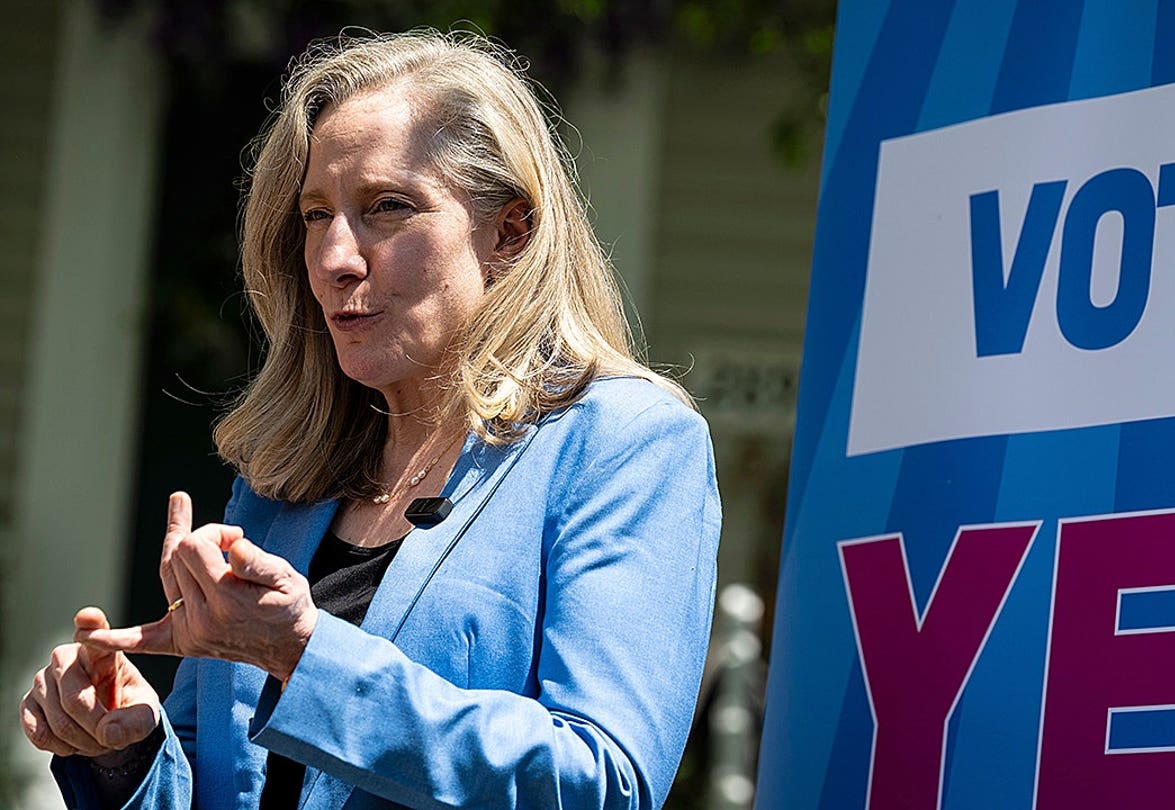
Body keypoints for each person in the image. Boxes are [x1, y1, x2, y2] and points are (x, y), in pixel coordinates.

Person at [17, 29, 721, 810]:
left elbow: (604, 781)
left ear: (509, 234)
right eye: (316, 215)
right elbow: (220, 782)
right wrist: (127, 752)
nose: (335, 258)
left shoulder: (623, 444)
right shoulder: (282, 483)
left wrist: (305, 655)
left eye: (388, 207)